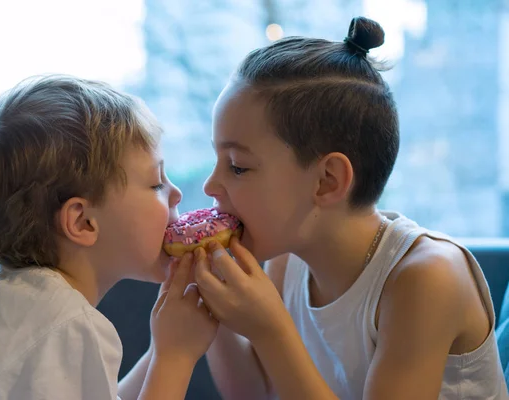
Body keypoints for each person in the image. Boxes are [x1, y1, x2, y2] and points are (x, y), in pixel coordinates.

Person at [192, 16, 508, 400]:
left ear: (327, 180)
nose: (210, 185)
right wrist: (210, 302)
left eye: (238, 166)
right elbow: (252, 392)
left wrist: (270, 330)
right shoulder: (288, 262)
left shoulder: (426, 280)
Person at [0, 75, 218, 400]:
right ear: (83, 222)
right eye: (156, 183)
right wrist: (176, 357)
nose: (177, 194)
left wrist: (162, 349)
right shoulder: (60, 325)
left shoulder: (25, 304)